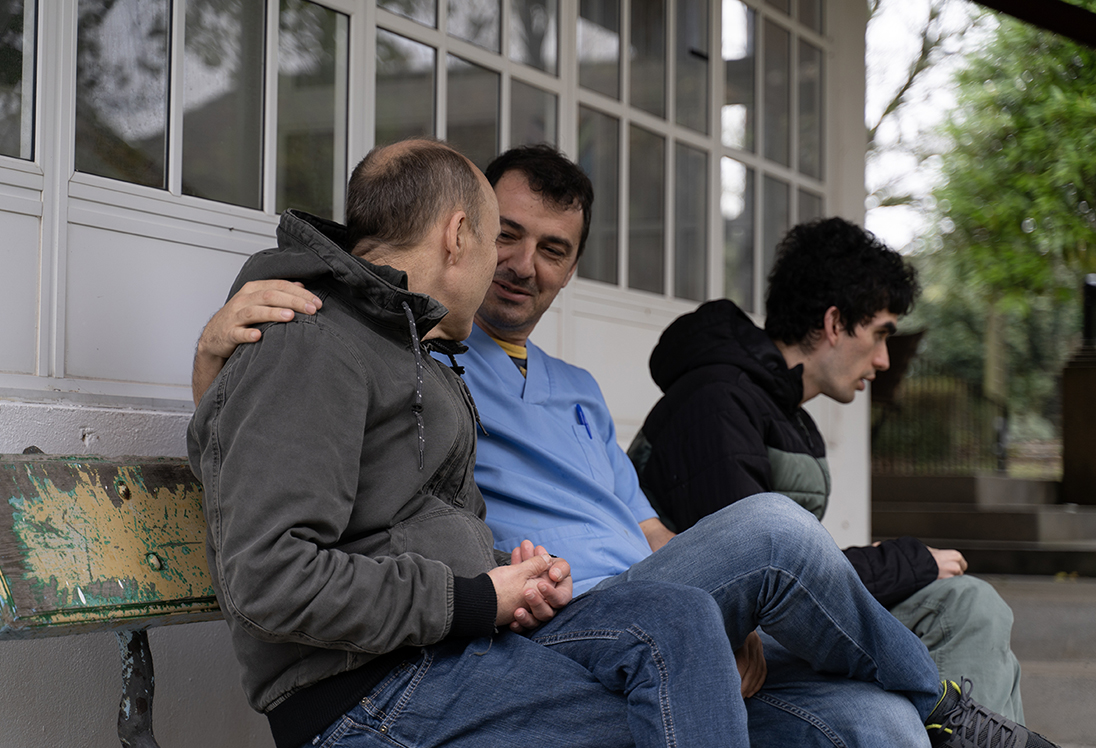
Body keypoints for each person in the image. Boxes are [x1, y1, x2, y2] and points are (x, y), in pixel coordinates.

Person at [192, 145, 1057, 748]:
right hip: (433, 667)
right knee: (770, 536)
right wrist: (214, 363)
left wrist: (729, 604)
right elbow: (270, 512)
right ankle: (947, 704)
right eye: (504, 235)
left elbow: (622, 535)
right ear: (463, 234)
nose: (517, 264)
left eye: (552, 249)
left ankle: (933, 712)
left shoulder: (442, 363)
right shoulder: (367, 342)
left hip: (552, 621)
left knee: (874, 721)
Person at [186, 138, 758, 748]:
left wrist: (509, 587)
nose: (501, 269)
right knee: (667, 718)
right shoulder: (311, 339)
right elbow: (270, 579)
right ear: (458, 235)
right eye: (495, 243)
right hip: (365, 692)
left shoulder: (410, 349)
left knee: (682, 622)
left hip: (442, 653)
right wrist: (478, 597)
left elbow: (390, 520)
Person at [630, 217, 1025, 721]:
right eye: (880, 334)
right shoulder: (718, 401)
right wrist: (905, 560)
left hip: (776, 611)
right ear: (836, 323)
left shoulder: (781, 409)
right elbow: (761, 565)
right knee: (963, 607)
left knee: (975, 614)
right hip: (722, 627)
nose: (884, 359)